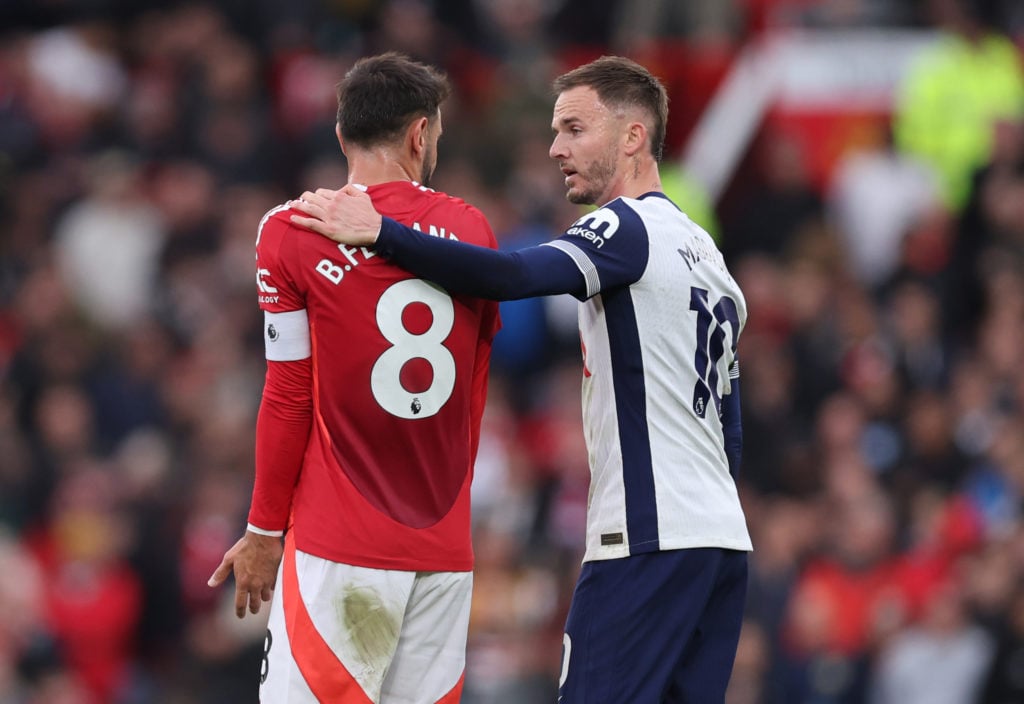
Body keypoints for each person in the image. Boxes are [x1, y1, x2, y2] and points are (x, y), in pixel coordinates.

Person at [291, 55, 752, 703]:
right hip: (722, 543)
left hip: (647, 537)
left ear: (632, 137)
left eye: (573, 128)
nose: (554, 147)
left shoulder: (624, 227)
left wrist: (382, 234)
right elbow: (730, 429)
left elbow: (512, 279)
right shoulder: (708, 255)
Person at [207, 53, 501, 703]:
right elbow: (474, 385)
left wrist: (262, 530)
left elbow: (287, 396)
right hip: (443, 551)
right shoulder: (473, 231)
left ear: (341, 135)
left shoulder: (292, 231)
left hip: (341, 550)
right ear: (421, 135)